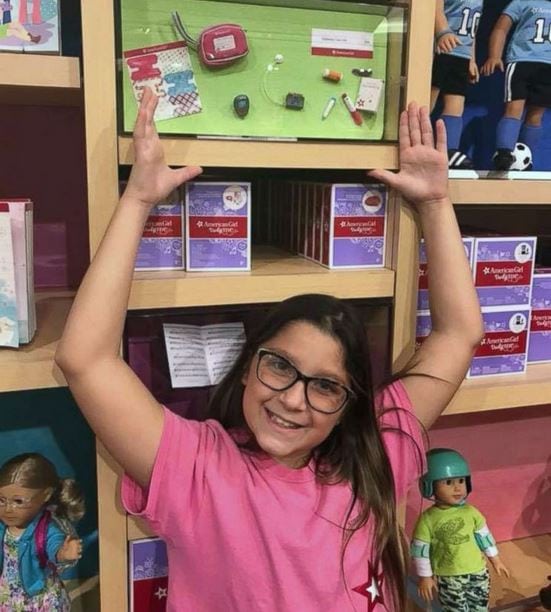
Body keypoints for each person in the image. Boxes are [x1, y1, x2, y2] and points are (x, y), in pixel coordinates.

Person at [55, 88, 483, 611]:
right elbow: (85, 358)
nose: (293, 399)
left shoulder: (377, 450)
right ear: (246, 366)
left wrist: (436, 204)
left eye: (325, 386)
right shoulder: (199, 469)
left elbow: (459, 335)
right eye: (280, 366)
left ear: (348, 402)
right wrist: (137, 201)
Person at [411, 448, 510, 611]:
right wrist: (425, 576)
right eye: (448, 483)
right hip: (449, 577)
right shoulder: (427, 519)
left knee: (480, 607)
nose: (457, 488)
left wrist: (496, 560)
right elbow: (420, 551)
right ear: (430, 485)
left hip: (478, 572)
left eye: (461, 481)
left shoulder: (472, 512)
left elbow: (484, 538)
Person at [0, 453, 85, 611]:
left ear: (46, 495)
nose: (8, 509)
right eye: (2, 500)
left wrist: (62, 553)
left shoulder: (45, 528)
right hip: (7, 594)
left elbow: (54, 543)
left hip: (37, 595)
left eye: (18, 501)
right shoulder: (2, 526)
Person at [481, 0, 551, 171]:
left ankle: (526, 159)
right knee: (514, 109)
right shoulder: (521, 2)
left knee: (536, 115)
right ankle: (504, 153)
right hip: (521, 61)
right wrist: (494, 56)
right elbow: (501, 28)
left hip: (548, 65)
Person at [431, 0, 482, 170]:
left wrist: (471, 59)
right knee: (427, 100)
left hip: (461, 54)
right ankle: (413, 142)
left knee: (456, 105)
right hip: (440, 50)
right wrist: (443, 32)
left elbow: (473, 30)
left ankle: (449, 150)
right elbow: (435, 8)